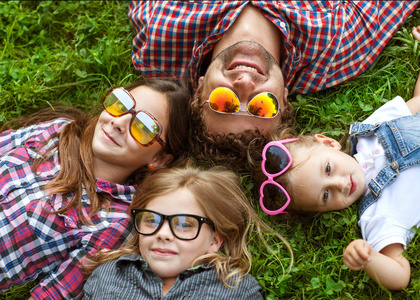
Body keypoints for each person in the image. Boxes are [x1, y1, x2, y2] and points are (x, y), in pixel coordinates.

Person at [128, 1, 418, 171]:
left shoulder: (159, 38)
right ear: (284, 99)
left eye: (223, 102)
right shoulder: (337, 48)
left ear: (199, 87)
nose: (243, 83)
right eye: (262, 106)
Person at [255, 26, 420, 291]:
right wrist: (369, 258)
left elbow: (417, 102)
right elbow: (400, 276)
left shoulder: (370, 129)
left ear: (328, 143)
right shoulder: (375, 217)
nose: (341, 184)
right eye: (325, 196)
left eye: (328, 169)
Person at [0, 77, 190, 300]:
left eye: (143, 127)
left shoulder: (115, 222)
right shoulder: (59, 130)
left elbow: (53, 295)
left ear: (158, 159)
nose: (119, 122)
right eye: (121, 104)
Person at [81, 165, 292, 299]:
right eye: (152, 220)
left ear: (215, 241)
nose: (163, 234)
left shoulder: (237, 289)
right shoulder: (109, 275)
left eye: (184, 224)